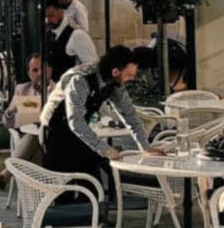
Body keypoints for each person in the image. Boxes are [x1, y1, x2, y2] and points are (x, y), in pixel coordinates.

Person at [41, 45, 162, 202]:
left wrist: (145, 146)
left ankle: (93, 221)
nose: (132, 78)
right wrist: (105, 149)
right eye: (129, 74)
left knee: (91, 184)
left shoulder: (114, 84)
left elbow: (129, 114)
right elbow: (76, 122)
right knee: (64, 190)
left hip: (79, 133)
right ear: (115, 72)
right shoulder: (80, 80)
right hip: (55, 131)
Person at [0, 53, 55, 189]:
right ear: (29, 73)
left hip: (53, 141)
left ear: (50, 70)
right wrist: (11, 111)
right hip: (28, 139)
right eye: (34, 70)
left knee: (36, 138)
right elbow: (7, 122)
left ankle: (8, 173)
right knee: (34, 138)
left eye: (42, 69)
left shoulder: (58, 90)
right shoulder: (22, 89)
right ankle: (41, 195)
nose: (39, 73)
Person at [46, 0, 98, 82]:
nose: (48, 20)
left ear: (61, 11)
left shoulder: (77, 34)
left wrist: (71, 74)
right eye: (45, 17)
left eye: (51, 15)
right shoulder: (48, 34)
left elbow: (93, 66)